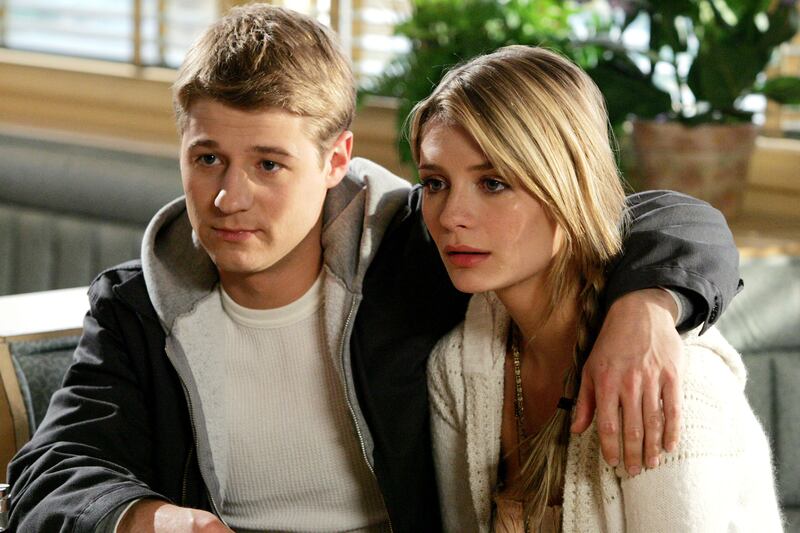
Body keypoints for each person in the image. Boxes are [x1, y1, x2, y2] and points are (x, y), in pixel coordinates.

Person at [6, 5, 742, 533]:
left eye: (268, 163)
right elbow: (48, 474)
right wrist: (151, 519)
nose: (229, 198)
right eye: (207, 159)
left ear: (335, 160)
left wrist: (645, 306)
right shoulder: (138, 307)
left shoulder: (414, 252)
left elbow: (646, 217)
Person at [416, 45, 782, 532]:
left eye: (494, 183)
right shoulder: (461, 366)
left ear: (568, 184)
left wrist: (647, 307)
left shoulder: (668, 385)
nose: (450, 217)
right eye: (435, 183)